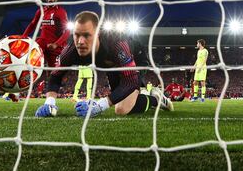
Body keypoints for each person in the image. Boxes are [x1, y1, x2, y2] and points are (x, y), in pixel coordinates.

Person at [35, 11, 173, 117]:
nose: (80, 41)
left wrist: (99, 105)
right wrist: (50, 103)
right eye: (77, 35)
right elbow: (55, 76)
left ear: (97, 34)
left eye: (87, 35)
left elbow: (130, 81)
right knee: (121, 102)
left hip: (136, 58)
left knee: (122, 109)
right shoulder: (70, 50)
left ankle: (156, 99)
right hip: (112, 67)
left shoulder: (117, 44)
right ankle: (144, 93)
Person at [22, 0, 70, 68]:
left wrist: (56, 44)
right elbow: (33, 24)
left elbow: (67, 31)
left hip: (55, 46)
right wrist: (23, 37)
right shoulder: (40, 11)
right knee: (29, 60)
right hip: (42, 42)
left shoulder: (61, 12)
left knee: (54, 72)